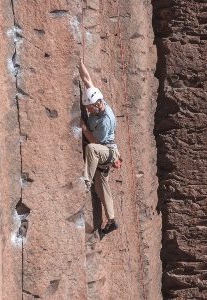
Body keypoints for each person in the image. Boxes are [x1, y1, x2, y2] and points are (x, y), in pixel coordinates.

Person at [79, 59, 119, 235]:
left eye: (89, 109)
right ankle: (112, 220)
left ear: (96, 105)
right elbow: (88, 81)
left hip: (107, 151)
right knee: (102, 188)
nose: (87, 111)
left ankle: (85, 181)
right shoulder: (97, 98)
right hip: (104, 159)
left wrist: (83, 127)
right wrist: (80, 63)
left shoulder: (105, 120)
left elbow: (95, 143)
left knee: (91, 150)